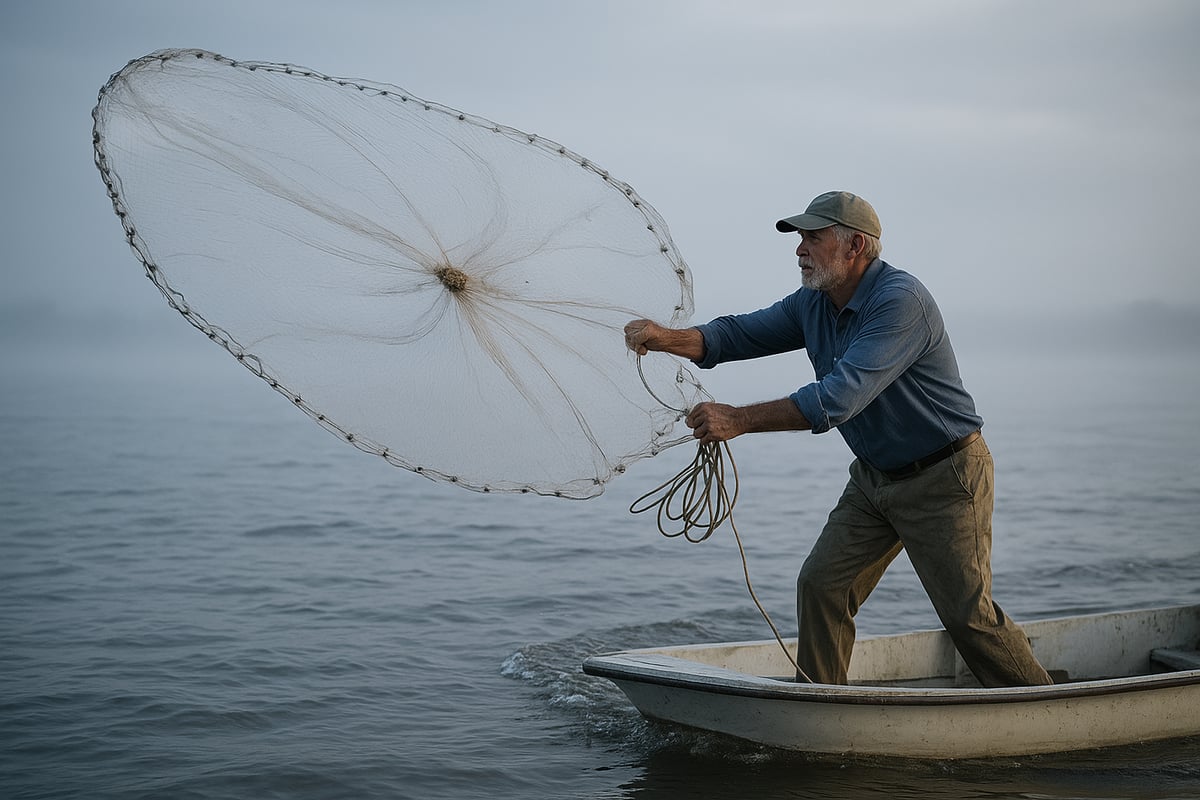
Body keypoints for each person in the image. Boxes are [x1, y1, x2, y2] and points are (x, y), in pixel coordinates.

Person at [624, 190, 1052, 688]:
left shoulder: (900, 302)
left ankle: (1052, 709)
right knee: (822, 586)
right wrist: (665, 338)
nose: (800, 248)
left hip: (944, 476)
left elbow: (838, 398)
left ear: (855, 248)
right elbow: (738, 335)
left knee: (967, 618)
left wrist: (738, 419)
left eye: (813, 237)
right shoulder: (815, 302)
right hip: (874, 478)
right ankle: (821, 706)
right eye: (800, 237)